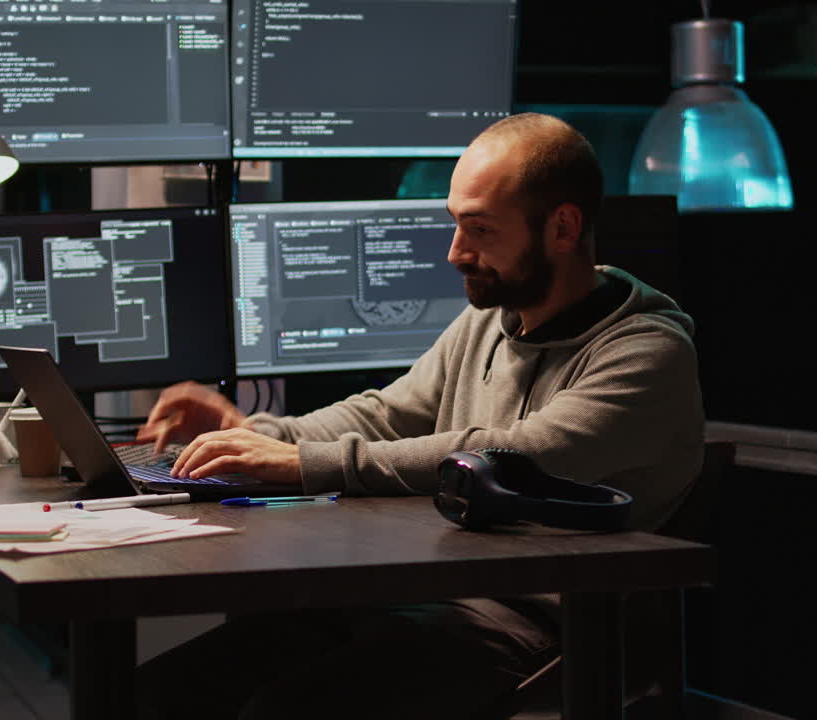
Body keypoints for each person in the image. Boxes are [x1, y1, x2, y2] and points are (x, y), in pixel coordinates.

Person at [133, 113, 705, 719]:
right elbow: (389, 413)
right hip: (436, 592)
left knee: (283, 710)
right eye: (457, 225)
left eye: (480, 229)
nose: (457, 252)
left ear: (563, 228)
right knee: (162, 693)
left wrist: (302, 463)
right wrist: (248, 437)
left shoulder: (648, 351)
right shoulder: (491, 319)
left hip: (554, 623)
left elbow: (513, 457)